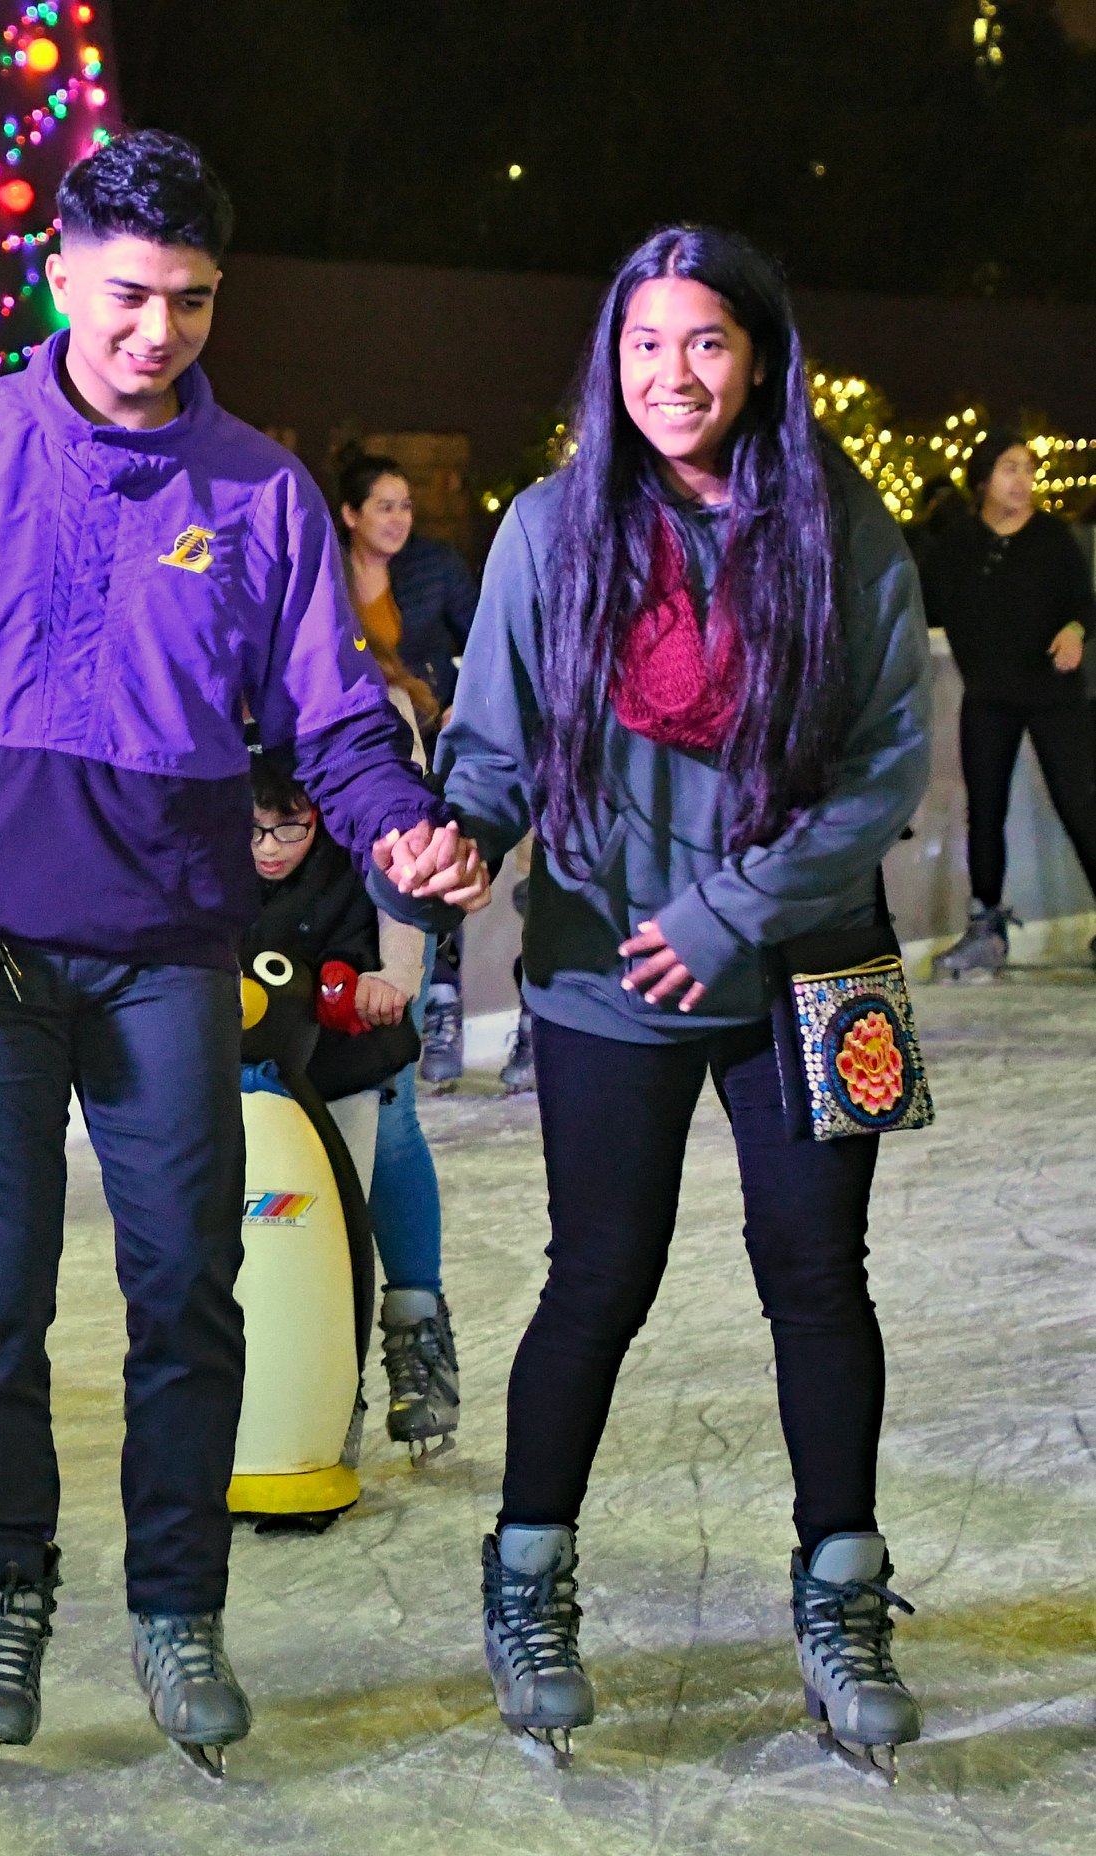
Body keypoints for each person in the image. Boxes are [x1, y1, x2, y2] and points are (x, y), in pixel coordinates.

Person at [0, 130, 488, 1778]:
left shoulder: (263, 499)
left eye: (194, 301)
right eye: (132, 294)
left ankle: (176, 1608)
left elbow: (337, 726)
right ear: (64, 270)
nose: (158, 331)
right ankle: (0, 1587)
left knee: (184, 1290)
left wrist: (400, 828)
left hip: (164, 955)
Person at [387, 225, 932, 1771]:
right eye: (643, 345)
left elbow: (887, 761)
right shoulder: (553, 531)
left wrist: (733, 908)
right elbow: (489, 749)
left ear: (759, 356)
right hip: (603, 965)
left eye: (703, 342)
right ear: (608, 362)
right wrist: (463, 837)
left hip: (817, 957)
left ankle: (841, 1592)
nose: (671, 375)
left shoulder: (842, 528)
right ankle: (527, 1580)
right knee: (597, 1279)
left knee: (822, 1278)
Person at [246, 749, 460, 1459]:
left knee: (366, 1158)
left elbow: (398, 838)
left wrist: (390, 972)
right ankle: (281, 1372)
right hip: (246, 1043)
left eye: (288, 830)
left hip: (344, 1036)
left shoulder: (346, 706)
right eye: (254, 833)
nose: (268, 848)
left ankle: (409, 1330)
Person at [920, 428, 1096, 978]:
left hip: (1053, 694)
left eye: (1028, 469)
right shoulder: (956, 545)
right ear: (983, 479)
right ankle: (986, 930)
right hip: (989, 698)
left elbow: (1084, 602)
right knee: (985, 813)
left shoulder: (1052, 538)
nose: (1023, 480)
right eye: (1010, 468)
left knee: (1081, 804)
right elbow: (919, 602)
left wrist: (1074, 629)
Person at [339, 449, 479, 1089]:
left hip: (440, 728)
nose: (399, 518)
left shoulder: (434, 568)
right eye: (384, 506)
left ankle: (452, 1004)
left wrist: (461, 706)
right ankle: (438, 996)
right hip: (374, 740)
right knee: (406, 857)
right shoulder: (328, 574)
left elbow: (482, 641)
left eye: (406, 506)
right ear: (350, 513)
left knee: (450, 859)